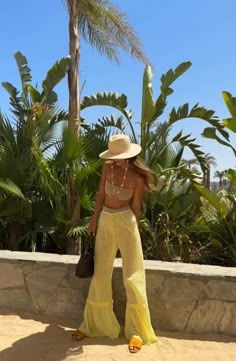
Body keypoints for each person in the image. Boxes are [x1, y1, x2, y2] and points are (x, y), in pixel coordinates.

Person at [72, 134, 158, 353]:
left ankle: (136, 332)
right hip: (106, 220)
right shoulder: (107, 169)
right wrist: (93, 222)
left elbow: (136, 206)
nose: (115, 160)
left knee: (133, 274)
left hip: (126, 221)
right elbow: (100, 195)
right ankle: (91, 325)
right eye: (113, 156)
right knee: (101, 273)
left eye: (119, 157)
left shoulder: (138, 179)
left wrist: (134, 229)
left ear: (129, 156)